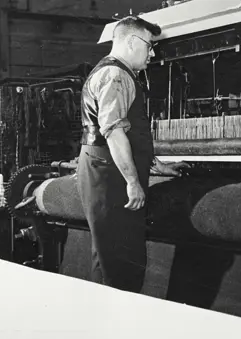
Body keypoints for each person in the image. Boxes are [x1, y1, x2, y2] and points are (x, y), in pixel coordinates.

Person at [77, 16, 186, 293]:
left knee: (108, 259)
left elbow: (130, 131)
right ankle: (118, 328)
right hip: (109, 174)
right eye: (149, 46)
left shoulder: (116, 73)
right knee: (122, 262)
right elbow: (113, 132)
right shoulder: (116, 75)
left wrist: (156, 165)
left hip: (103, 167)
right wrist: (133, 182)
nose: (152, 53)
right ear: (131, 41)